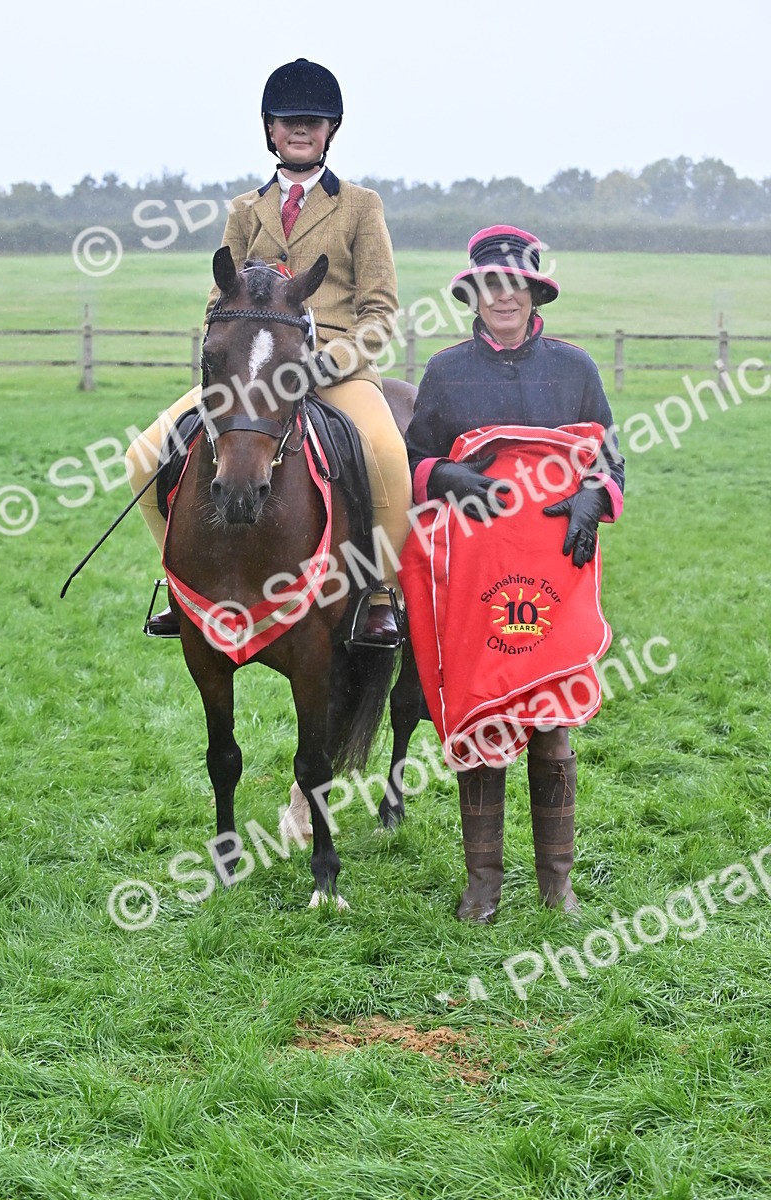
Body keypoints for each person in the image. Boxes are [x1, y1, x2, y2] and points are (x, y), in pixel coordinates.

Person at [125, 58, 412, 643]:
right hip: (249, 371)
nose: (299, 130)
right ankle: (180, 590)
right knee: (141, 456)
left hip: (334, 366)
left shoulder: (362, 206)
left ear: (331, 130)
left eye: (312, 121)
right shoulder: (243, 210)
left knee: (387, 456)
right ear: (270, 130)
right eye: (287, 122)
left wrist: (327, 363)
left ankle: (379, 593)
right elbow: (218, 301)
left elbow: (380, 313)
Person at [403, 225, 625, 922]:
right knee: (485, 723)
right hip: (477, 580)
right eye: (488, 285)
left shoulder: (576, 369)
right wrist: (443, 474)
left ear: (533, 292)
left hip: (555, 574)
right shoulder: (445, 373)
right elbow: (412, 462)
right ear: (473, 293)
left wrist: (594, 497)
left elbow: (611, 464)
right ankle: (484, 885)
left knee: (553, 725)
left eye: (514, 285)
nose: (503, 297)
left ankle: (558, 886)